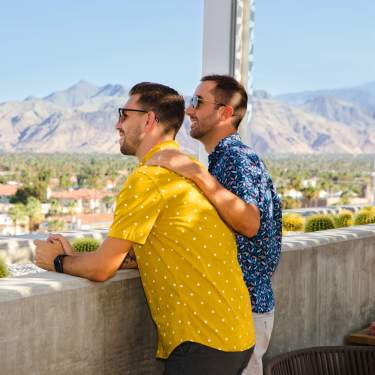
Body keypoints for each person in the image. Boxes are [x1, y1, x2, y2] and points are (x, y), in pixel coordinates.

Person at [34, 82, 255, 375]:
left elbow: (102, 269)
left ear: (149, 119)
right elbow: (174, 246)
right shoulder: (187, 169)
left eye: (124, 114)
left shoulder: (149, 178)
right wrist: (84, 261)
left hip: (202, 344)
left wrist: (57, 261)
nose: (117, 124)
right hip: (235, 335)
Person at [147, 75, 282, 375]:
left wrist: (196, 173)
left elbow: (249, 223)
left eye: (197, 102)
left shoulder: (236, 158)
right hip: (238, 310)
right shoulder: (224, 159)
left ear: (225, 112)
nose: (189, 111)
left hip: (243, 310)